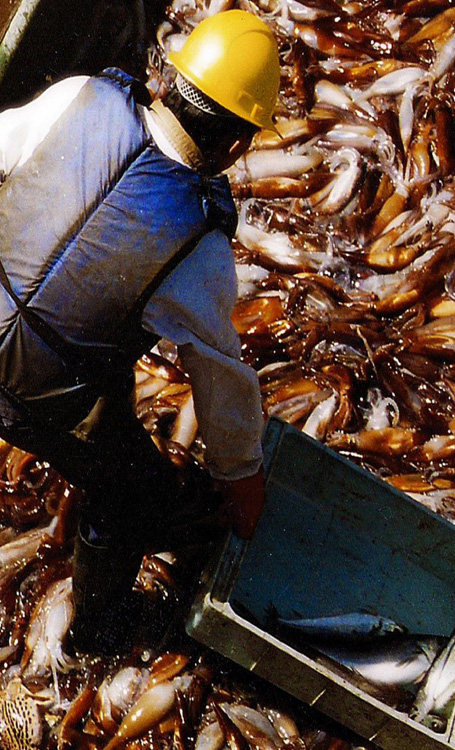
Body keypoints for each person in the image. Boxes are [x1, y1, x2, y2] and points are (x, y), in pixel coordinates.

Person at [0, 10, 278, 652]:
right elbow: (221, 382)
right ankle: (95, 629)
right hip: (34, 398)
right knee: (132, 496)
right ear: (238, 145)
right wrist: (243, 479)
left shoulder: (81, 95)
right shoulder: (201, 245)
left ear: (169, 79)